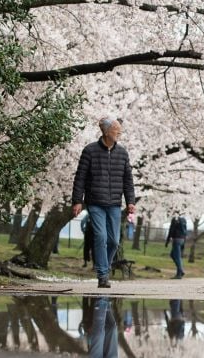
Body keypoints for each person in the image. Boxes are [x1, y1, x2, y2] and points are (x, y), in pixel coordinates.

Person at [72, 118, 136, 288]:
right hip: (95, 202)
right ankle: (102, 275)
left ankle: (104, 267)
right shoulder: (90, 151)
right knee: (100, 236)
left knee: (114, 241)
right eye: (117, 130)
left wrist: (130, 201)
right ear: (107, 132)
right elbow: (80, 178)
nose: (119, 133)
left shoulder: (122, 153)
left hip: (115, 203)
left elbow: (128, 180)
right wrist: (77, 200)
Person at [165, 214, 187, 279]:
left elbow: (171, 230)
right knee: (173, 255)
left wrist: (167, 240)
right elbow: (185, 230)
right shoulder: (183, 219)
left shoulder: (175, 219)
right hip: (182, 239)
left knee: (177, 257)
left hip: (176, 239)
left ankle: (181, 271)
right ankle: (179, 273)